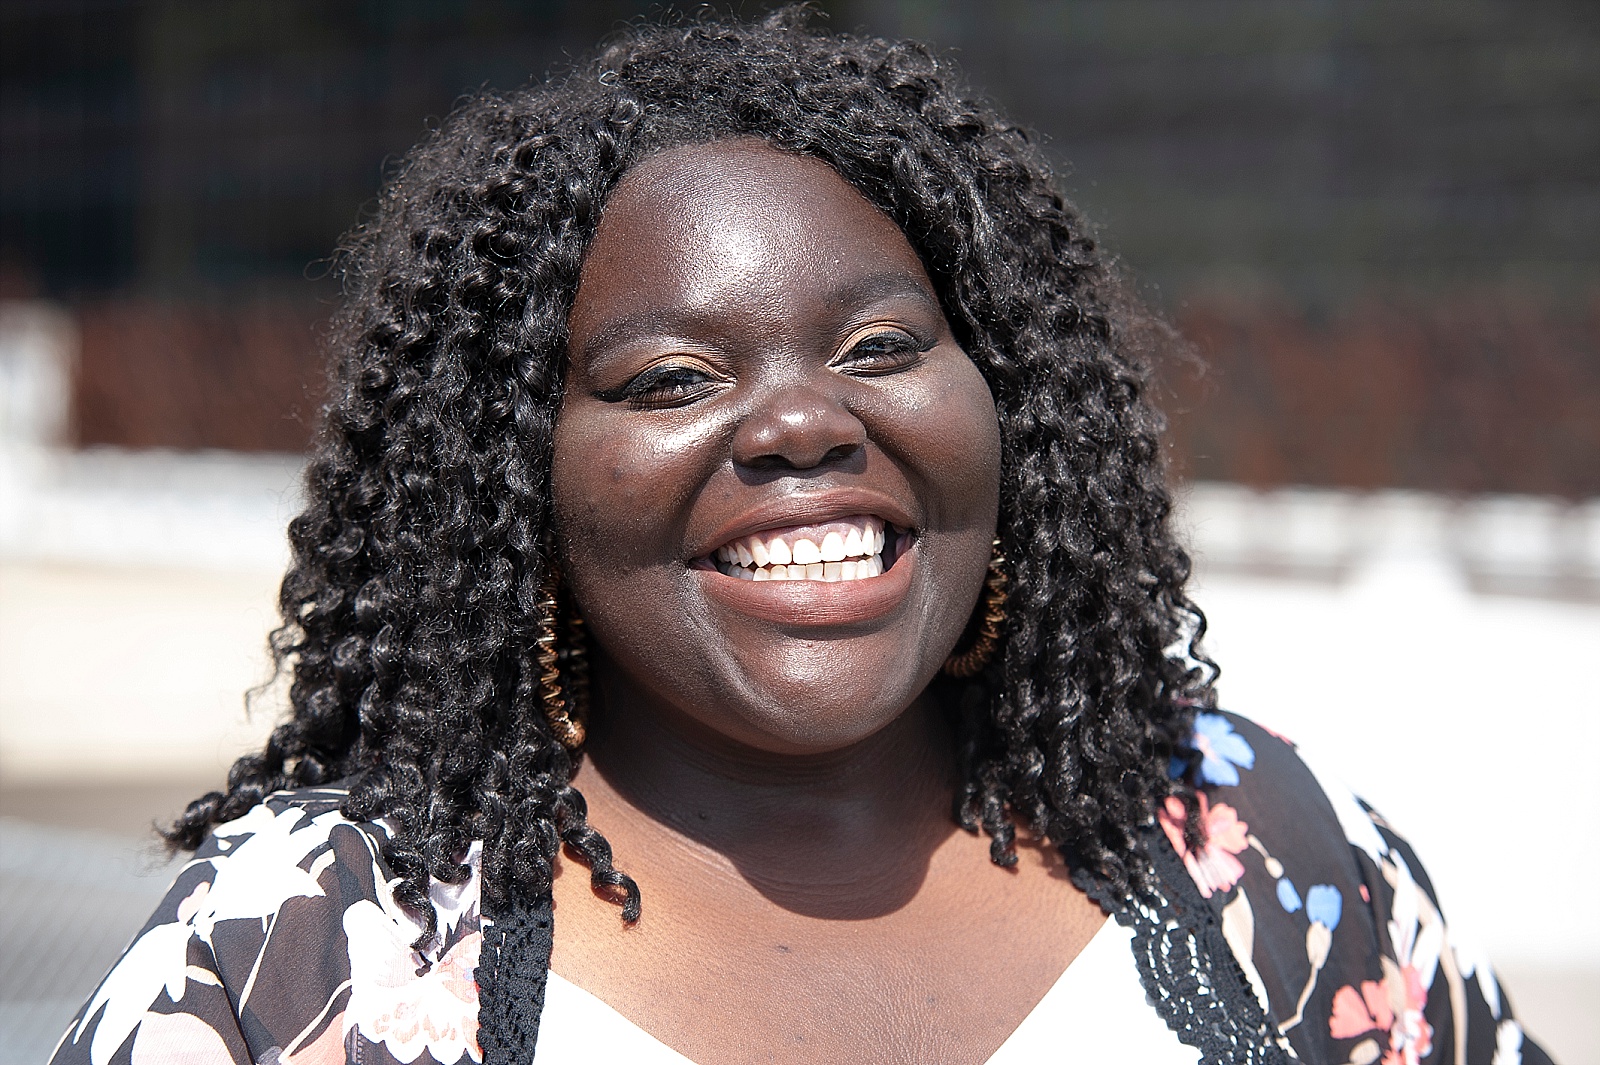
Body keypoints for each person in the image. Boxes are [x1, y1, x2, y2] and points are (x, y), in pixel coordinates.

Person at [51, 10, 1550, 1065]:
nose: (800, 426)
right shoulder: (300, 955)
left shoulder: (1251, 842)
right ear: (521, 486)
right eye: (674, 380)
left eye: (885, 346)